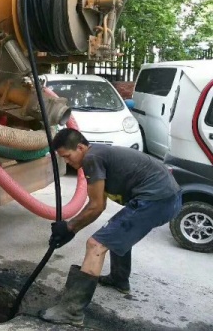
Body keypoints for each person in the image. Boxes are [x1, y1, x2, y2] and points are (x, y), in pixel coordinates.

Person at [40, 128, 181, 326]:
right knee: (116, 232)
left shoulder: (92, 158)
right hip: (166, 198)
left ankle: (71, 313)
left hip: (157, 200)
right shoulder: (98, 154)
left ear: (80, 147)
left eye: (68, 156)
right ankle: (119, 279)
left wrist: (69, 228)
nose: (67, 162)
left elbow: (96, 206)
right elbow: (100, 204)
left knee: (96, 244)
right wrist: (71, 229)